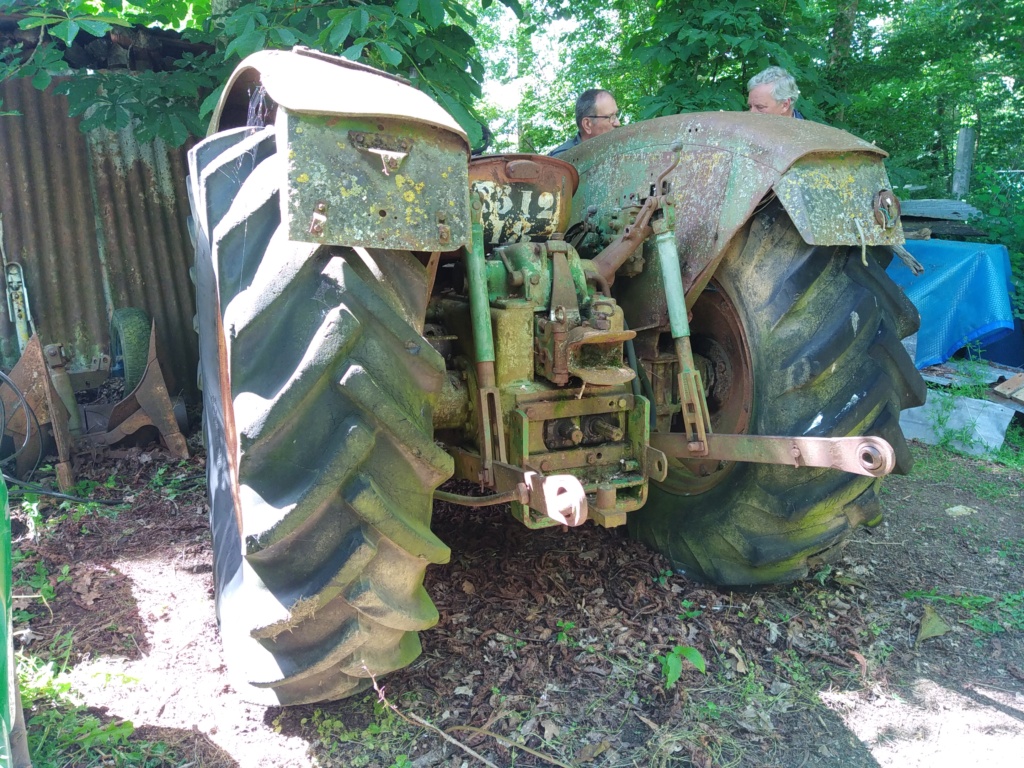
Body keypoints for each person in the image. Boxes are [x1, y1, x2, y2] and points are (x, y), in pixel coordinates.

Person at [549, 89, 621, 156]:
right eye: (611, 117)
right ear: (587, 124)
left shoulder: (619, 148)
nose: (618, 123)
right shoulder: (563, 161)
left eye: (616, 115)